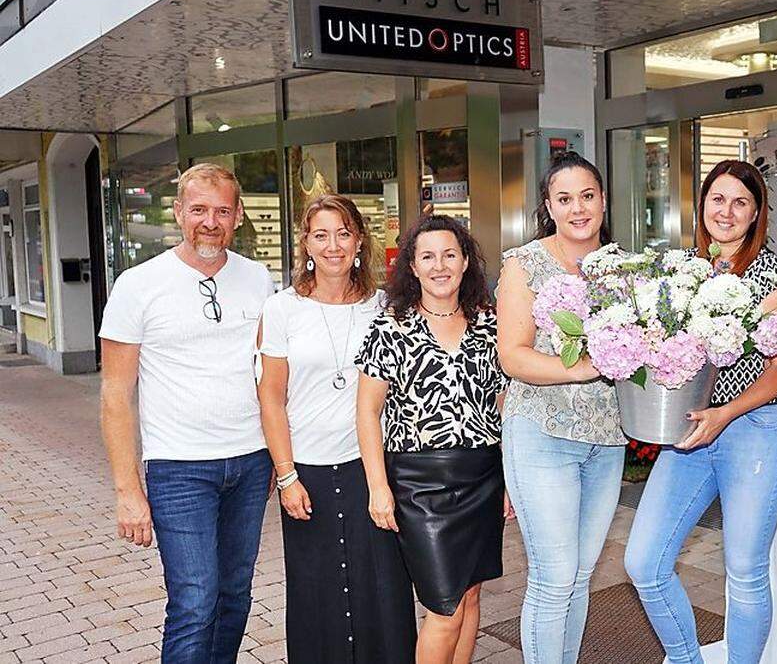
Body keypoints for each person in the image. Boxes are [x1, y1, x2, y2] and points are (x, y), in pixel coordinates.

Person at [623, 160, 777, 664]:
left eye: (740, 202)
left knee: (744, 569)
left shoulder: (771, 275)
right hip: (692, 431)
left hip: (755, 430)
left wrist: (725, 414)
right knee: (644, 562)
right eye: (718, 199)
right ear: (701, 205)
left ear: (756, 213)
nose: (727, 211)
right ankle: (686, 659)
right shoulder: (680, 271)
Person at [98, 163, 276, 663]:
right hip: (179, 470)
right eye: (198, 209)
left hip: (250, 463)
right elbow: (115, 395)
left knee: (235, 594)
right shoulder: (138, 285)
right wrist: (128, 491)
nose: (210, 221)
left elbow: (272, 375)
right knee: (195, 601)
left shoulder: (258, 279)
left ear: (238, 216)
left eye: (222, 210)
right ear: (178, 212)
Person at [257, 194, 416, 663]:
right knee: (315, 589)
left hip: (373, 467)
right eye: (321, 234)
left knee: (383, 587)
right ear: (305, 242)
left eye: (343, 233)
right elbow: (271, 397)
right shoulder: (282, 309)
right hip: (307, 469)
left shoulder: (384, 305)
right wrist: (286, 475)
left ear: (360, 241)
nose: (333, 246)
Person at [356, 215, 508, 664]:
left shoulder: (489, 324)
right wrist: (378, 487)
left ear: (465, 263)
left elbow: (502, 407)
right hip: (420, 486)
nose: (439, 265)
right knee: (444, 608)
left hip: (482, 476)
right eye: (428, 257)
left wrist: (508, 481)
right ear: (413, 267)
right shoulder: (390, 328)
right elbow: (367, 412)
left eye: (449, 255)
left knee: (471, 597)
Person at [495, 151, 626, 664]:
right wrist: (586, 366)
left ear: (603, 201)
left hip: (607, 442)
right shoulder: (523, 265)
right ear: (549, 206)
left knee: (579, 578)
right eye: (565, 198)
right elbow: (513, 355)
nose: (578, 208)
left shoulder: (619, 266)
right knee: (553, 580)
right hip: (542, 436)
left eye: (587, 196)